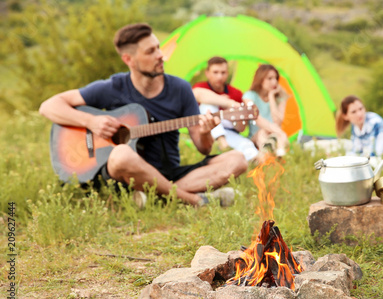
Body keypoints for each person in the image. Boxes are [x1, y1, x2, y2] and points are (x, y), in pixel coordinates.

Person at [39, 23, 248, 207]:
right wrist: (91, 121)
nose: (160, 55)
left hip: (170, 172)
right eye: (150, 51)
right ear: (129, 59)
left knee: (238, 160)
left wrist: (205, 132)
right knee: (121, 154)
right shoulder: (113, 87)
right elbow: (49, 106)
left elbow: (204, 148)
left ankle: (156, 195)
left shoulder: (180, 89)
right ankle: (193, 200)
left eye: (158, 47)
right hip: (123, 177)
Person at [192, 57, 259, 161]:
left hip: (229, 132)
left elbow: (241, 128)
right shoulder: (201, 87)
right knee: (207, 106)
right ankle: (221, 140)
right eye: (215, 72)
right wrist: (228, 103)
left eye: (223, 73)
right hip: (205, 132)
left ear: (227, 73)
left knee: (249, 148)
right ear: (207, 73)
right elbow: (197, 94)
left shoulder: (236, 93)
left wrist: (238, 118)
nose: (219, 76)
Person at [242, 64, 289, 159]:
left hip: (274, 134)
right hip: (256, 136)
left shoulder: (280, 98)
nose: (274, 82)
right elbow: (257, 118)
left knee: (272, 135)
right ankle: (267, 158)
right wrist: (281, 133)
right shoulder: (249, 96)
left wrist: (271, 97)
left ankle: (275, 158)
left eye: (276, 78)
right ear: (260, 79)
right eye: (270, 78)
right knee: (263, 133)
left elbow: (278, 121)